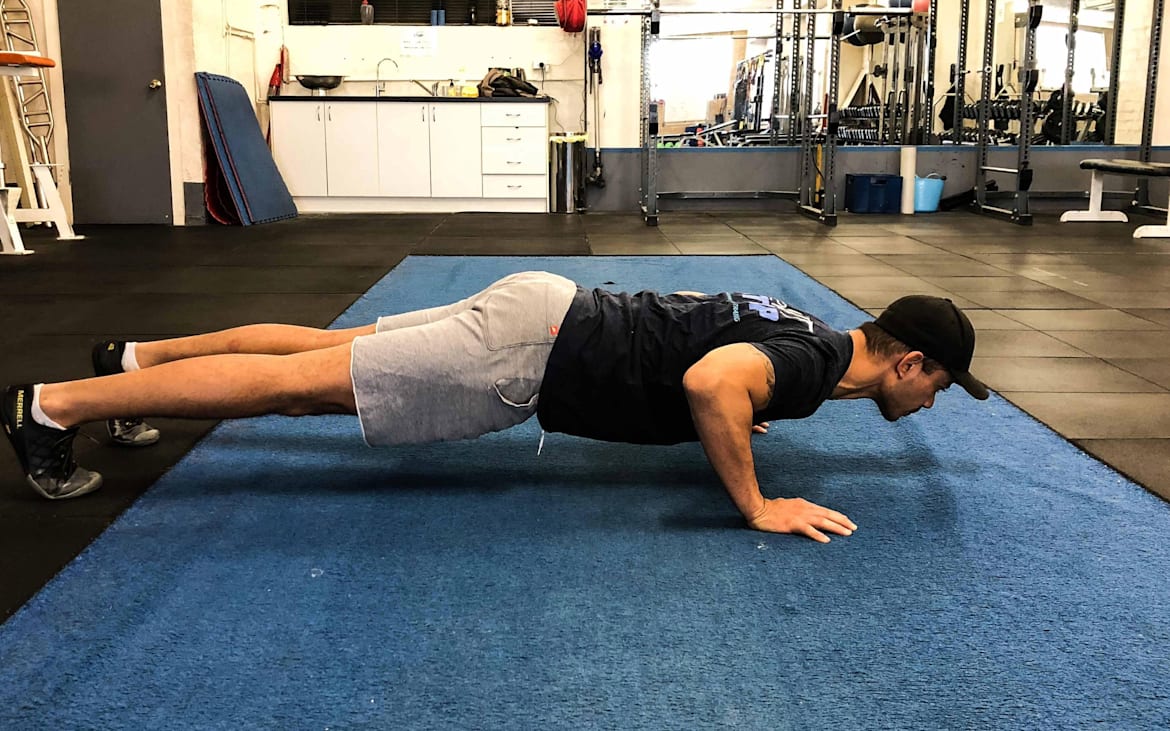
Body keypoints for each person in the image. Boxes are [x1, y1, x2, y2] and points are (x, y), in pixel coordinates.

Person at [1, 271, 987, 542]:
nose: (937, 399)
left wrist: (737, 404)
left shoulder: (808, 332)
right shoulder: (814, 367)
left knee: (320, 347)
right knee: (295, 387)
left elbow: (715, 348)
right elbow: (707, 379)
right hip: (532, 347)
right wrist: (755, 500)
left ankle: (129, 360)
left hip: (542, 304)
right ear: (909, 360)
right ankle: (53, 406)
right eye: (942, 380)